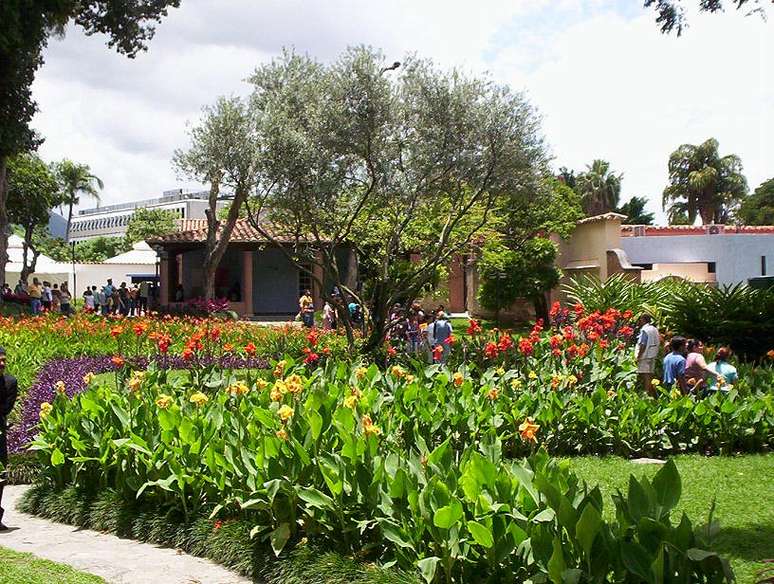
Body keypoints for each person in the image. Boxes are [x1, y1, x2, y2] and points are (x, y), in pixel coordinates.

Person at [0, 346, 19, 530]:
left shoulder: (9, 382)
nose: (2, 363)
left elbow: (5, 409)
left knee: (0, 475)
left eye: (4, 359)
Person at [635, 314, 660, 395]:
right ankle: (652, 394)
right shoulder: (654, 329)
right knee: (650, 375)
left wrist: (639, 356)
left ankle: (647, 393)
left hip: (645, 356)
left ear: (643, 320)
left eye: (640, 320)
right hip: (653, 354)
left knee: (645, 375)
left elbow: (643, 344)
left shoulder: (645, 330)